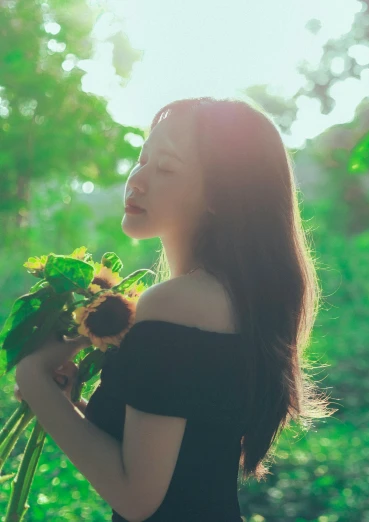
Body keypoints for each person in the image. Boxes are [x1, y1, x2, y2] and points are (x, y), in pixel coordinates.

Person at [14, 97, 336, 521]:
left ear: (222, 195)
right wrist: (66, 403)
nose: (139, 179)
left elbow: (137, 497)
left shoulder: (177, 304)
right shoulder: (232, 300)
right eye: (142, 158)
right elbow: (178, 463)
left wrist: (32, 378)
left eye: (165, 167)